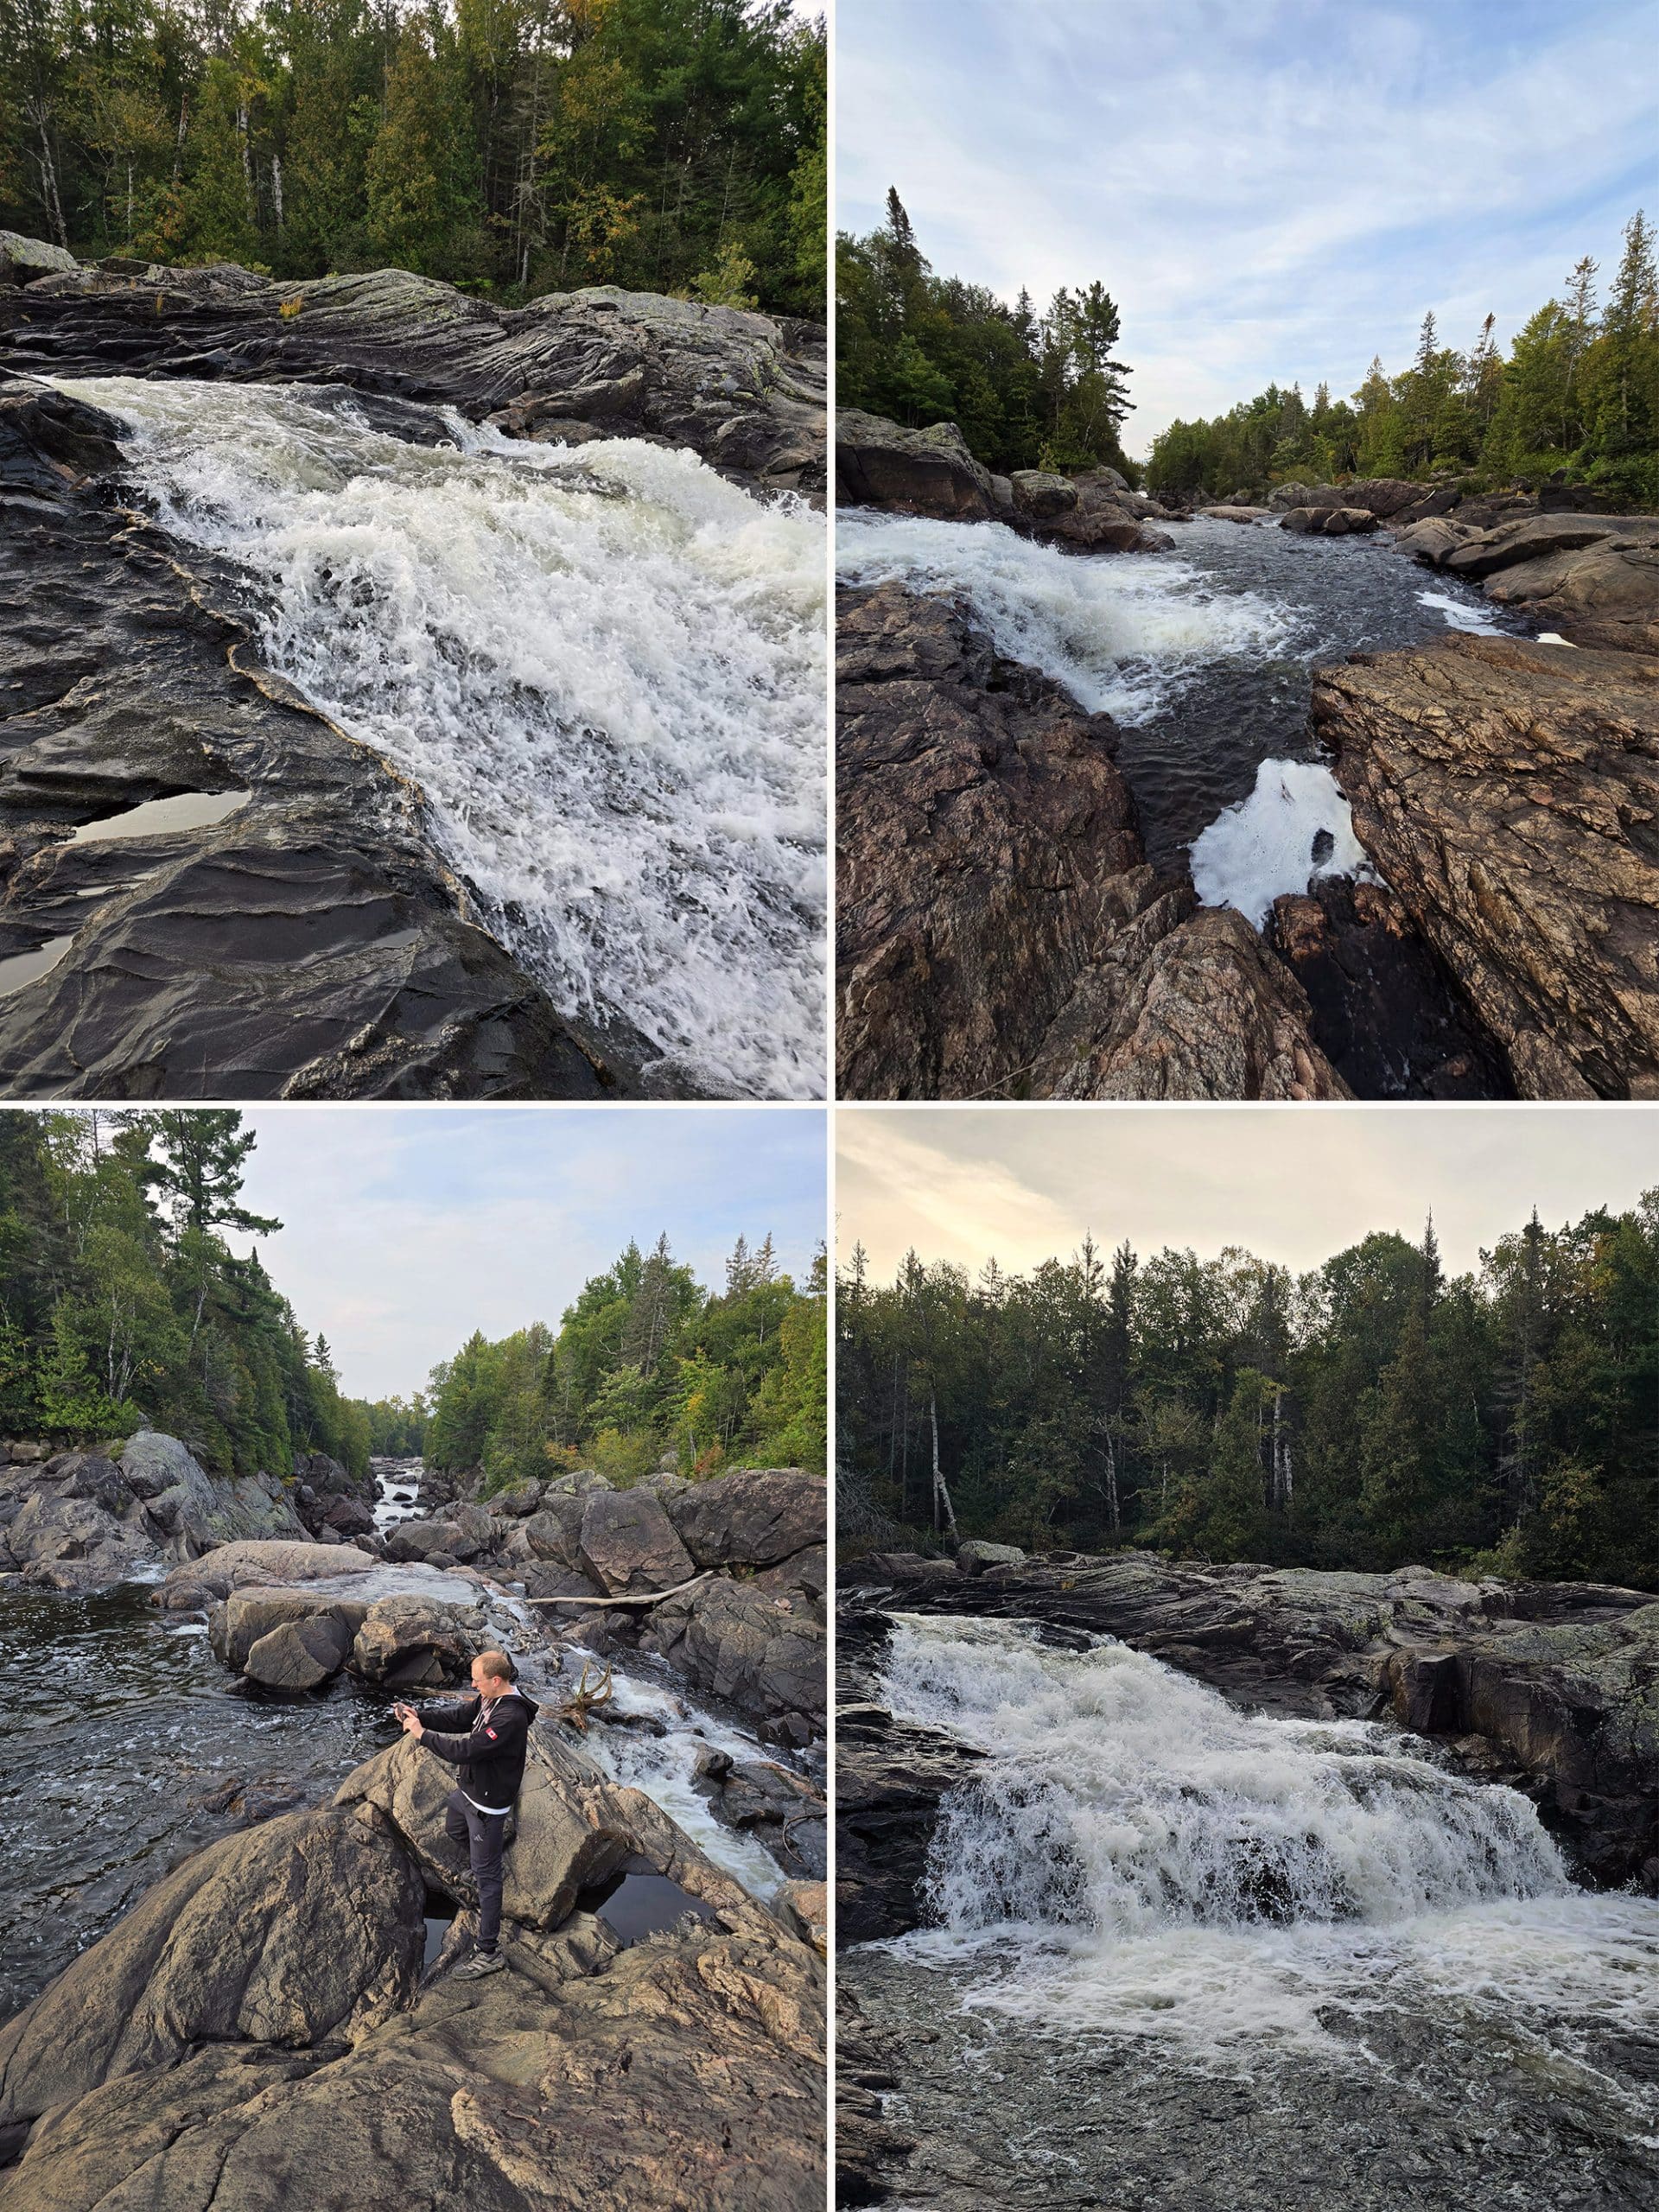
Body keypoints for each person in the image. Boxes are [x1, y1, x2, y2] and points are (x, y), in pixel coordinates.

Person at [394, 1649, 539, 1980]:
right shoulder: (489, 1700)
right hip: (468, 1794)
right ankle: (484, 1859)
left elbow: (465, 1749)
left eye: (477, 1680)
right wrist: (422, 1715)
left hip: (488, 1806)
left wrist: (420, 1734)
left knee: (488, 1882)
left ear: (496, 1680)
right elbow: (460, 1717)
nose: (473, 1685)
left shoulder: (510, 1718)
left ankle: (489, 1952)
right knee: (454, 1828)